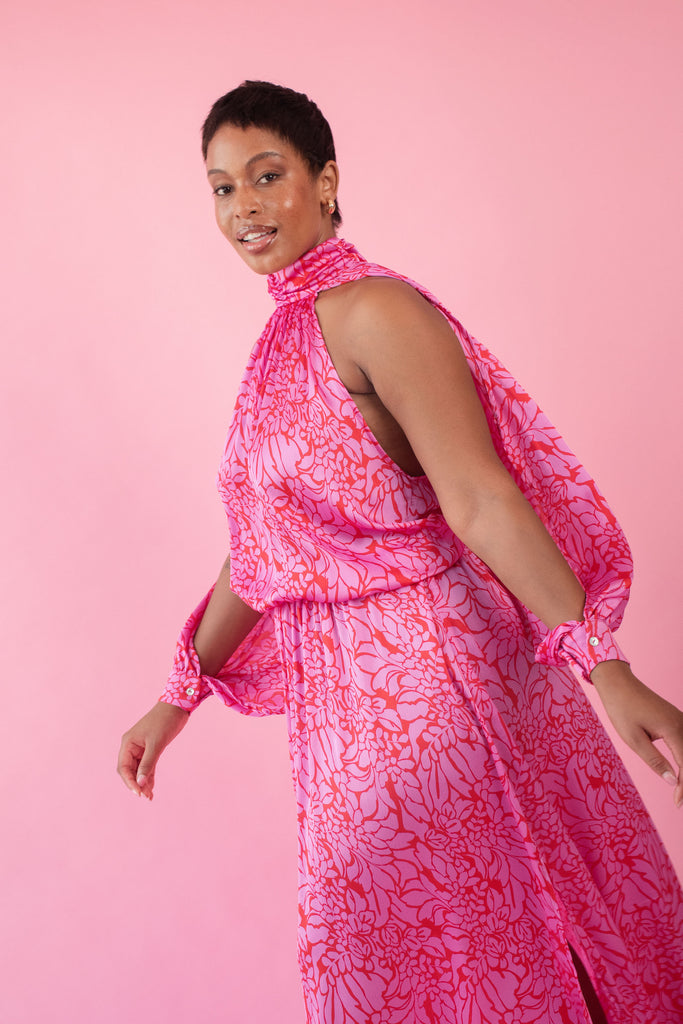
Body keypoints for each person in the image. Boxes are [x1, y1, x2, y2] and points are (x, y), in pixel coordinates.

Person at [118, 81, 683, 1024]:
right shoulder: (284, 337)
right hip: (348, 716)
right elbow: (268, 547)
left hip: (441, 688)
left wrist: (602, 664)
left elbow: (479, 496)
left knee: (525, 924)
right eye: (221, 189)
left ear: (325, 179)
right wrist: (177, 696)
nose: (244, 208)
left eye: (267, 176)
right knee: (432, 953)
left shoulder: (371, 309)